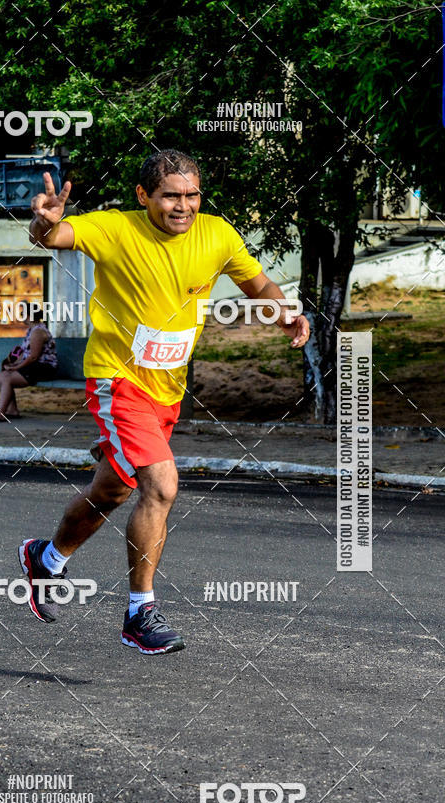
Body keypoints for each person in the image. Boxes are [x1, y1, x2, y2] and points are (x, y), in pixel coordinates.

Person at [18, 149, 310, 654]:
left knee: (111, 491)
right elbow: (56, 236)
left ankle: (45, 559)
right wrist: (43, 224)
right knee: (162, 484)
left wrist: (282, 312)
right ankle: (139, 613)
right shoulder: (115, 228)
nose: (183, 206)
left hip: (166, 392)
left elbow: (256, 281)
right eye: (171, 195)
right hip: (116, 380)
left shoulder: (218, 234)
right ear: (144, 196)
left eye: (191, 194)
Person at [0, 310, 57, 423]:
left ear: (30, 316)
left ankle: (0, 414)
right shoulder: (32, 330)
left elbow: (33, 357)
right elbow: (25, 352)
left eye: (24, 314)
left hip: (44, 368)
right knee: (1, 376)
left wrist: (16, 368)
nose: (22, 316)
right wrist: (14, 364)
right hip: (33, 366)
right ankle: (12, 410)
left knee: (7, 378)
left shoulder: (38, 332)